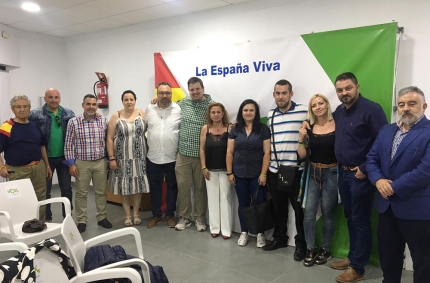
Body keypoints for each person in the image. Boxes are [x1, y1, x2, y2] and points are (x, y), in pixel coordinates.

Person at [367, 86, 430, 283]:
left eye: (412, 104)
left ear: (424, 106)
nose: (406, 109)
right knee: (388, 255)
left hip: (416, 209)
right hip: (387, 208)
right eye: (401, 104)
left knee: (423, 260)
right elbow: (371, 158)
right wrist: (378, 180)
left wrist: (393, 186)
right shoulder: (387, 130)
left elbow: (425, 170)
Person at [328, 72, 388, 283]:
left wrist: (364, 167)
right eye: (340, 90)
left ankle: (358, 268)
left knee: (361, 220)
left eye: (348, 88)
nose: (344, 93)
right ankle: (353, 257)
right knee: (350, 217)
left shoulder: (371, 110)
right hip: (343, 173)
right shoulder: (339, 112)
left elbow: (384, 142)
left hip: (360, 175)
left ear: (357, 87)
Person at [263, 79, 307, 262]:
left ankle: (301, 244)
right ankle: (280, 238)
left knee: (299, 210)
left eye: (284, 93)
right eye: (277, 93)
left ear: (291, 94)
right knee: (278, 207)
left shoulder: (304, 111)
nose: (281, 96)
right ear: (273, 95)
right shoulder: (270, 114)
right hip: (275, 170)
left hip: (296, 171)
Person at [297, 94, 338, 267]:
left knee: (328, 213)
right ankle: (310, 249)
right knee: (309, 213)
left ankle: (325, 250)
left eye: (321, 103)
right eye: (314, 105)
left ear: (327, 105)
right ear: (311, 109)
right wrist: (300, 139)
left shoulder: (338, 124)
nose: (318, 107)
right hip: (313, 172)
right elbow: (302, 155)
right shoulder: (309, 127)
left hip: (333, 172)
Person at [64, 94, 112, 233]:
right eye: (88, 104)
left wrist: (109, 160)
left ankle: (102, 217)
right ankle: (82, 220)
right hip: (81, 163)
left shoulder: (103, 120)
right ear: (83, 105)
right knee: (81, 192)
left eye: (93, 104)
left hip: (100, 162)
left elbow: (108, 141)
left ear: (97, 105)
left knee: (101, 192)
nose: (91, 106)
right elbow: (68, 145)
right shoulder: (74, 122)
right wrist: (71, 164)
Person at [226, 99, 270, 247]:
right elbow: (230, 152)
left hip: (257, 174)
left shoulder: (263, 129)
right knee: (243, 204)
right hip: (239, 174)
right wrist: (229, 173)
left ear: (256, 112)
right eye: (245, 110)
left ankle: (259, 234)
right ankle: (244, 232)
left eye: (251, 110)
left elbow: (267, 153)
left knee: (259, 205)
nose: (248, 113)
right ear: (241, 112)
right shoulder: (235, 129)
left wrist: (263, 174)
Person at [0, 95, 52, 220]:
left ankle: (40, 224)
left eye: (25, 106)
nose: (22, 109)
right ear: (13, 109)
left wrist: (47, 166)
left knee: (41, 198)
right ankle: (22, 227)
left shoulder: (35, 126)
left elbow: (42, 147)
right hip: (18, 171)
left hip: (38, 168)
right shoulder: (6, 127)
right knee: (19, 201)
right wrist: (1, 167)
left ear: (29, 108)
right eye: (18, 107)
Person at [29, 88, 75, 222]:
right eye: (50, 97)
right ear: (45, 99)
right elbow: (23, 123)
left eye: (56, 97)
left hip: (65, 158)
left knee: (66, 190)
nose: (53, 100)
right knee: (46, 192)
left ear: (60, 98)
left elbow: (79, 125)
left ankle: (67, 217)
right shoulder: (35, 114)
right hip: (45, 159)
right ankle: (46, 219)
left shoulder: (68, 113)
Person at [174, 77, 214, 231]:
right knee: (183, 187)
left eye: (197, 89)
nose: (195, 92)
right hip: (183, 153)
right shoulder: (183, 103)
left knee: (200, 188)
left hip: (201, 156)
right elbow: (167, 107)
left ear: (203, 88)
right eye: (192, 89)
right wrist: (155, 101)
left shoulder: (212, 105)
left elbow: (220, 121)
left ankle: (200, 218)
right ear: (188, 90)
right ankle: (184, 217)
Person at [107, 90, 149, 227]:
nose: (129, 102)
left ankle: (136, 214)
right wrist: (111, 158)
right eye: (126, 99)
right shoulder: (116, 115)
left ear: (135, 100)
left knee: (137, 187)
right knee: (124, 187)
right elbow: (109, 138)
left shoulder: (141, 113)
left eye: (131, 99)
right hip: (122, 158)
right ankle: (127, 215)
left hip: (140, 157)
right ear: (122, 101)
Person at [145, 82, 181, 229]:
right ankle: (156, 215)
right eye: (161, 93)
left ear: (171, 94)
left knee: (172, 186)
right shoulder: (149, 109)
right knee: (155, 186)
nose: (164, 96)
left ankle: (170, 215)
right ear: (157, 94)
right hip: (153, 156)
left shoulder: (178, 109)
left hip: (172, 156)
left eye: (167, 93)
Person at [200, 102, 232, 239]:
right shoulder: (205, 129)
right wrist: (203, 167)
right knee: (212, 200)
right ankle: (214, 228)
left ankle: (226, 230)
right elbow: (202, 149)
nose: (216, 114)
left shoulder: (230, 128)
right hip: (210, 170)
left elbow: (232, 150)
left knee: (225, 199)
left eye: (218, 112)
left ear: (223, 113)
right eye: (213, 112)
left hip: (226, 170)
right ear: (209, 114)